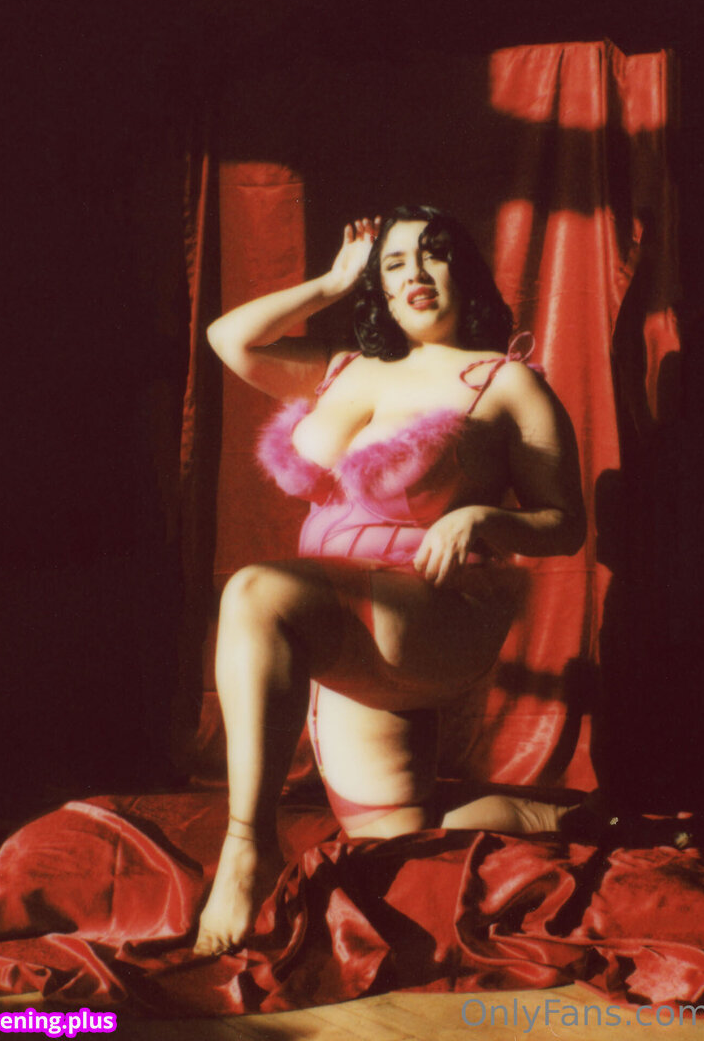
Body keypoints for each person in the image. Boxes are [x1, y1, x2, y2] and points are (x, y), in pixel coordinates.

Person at [194, 205, 585, 957]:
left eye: (433, 255)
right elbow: (229, 338)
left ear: (465, 272)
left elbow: (564, 522)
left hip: (431, 613)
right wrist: (333, 279)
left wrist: (481, 519)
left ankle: (246, 848)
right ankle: (566, 819)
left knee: (253, 591)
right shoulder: (345, 368)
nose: (415, 273)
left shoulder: (505, 382)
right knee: (389, 832)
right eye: (396, 261)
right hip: (345, 621)